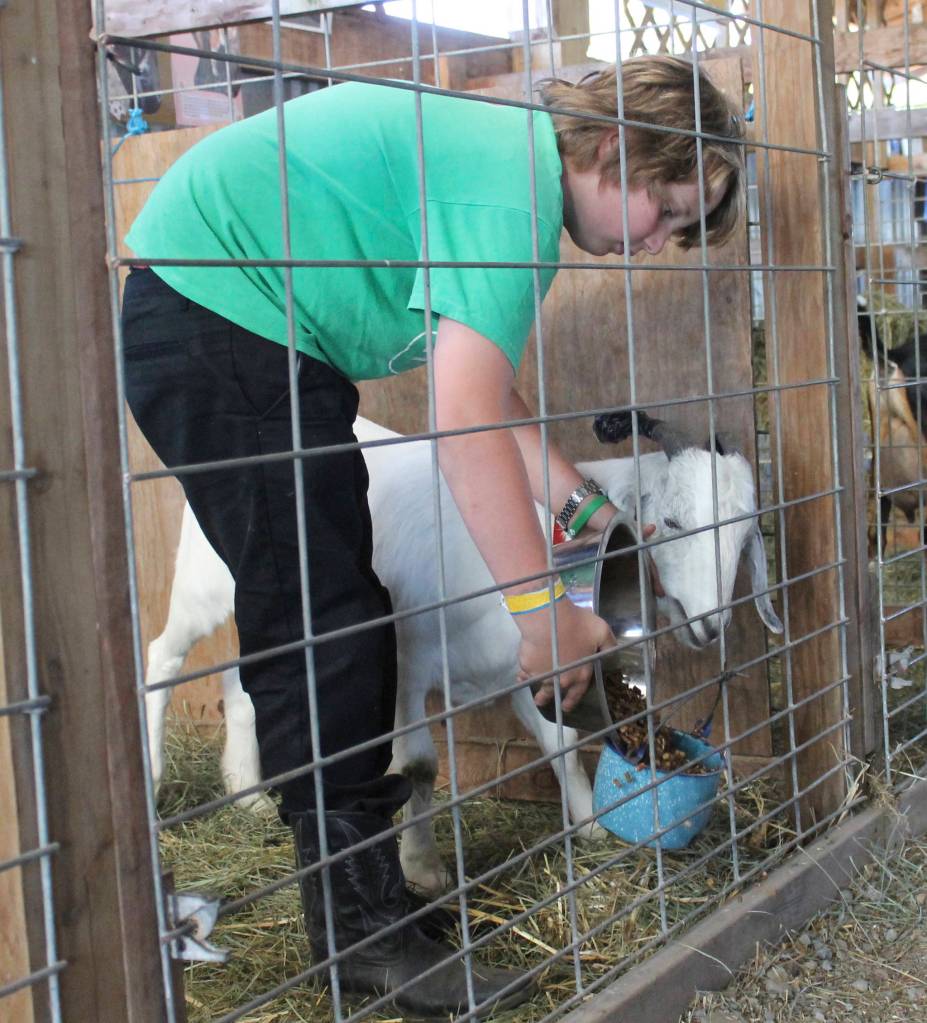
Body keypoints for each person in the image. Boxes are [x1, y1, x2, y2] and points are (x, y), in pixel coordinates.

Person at [122, 54, 744, 1019]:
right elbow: (460, 423)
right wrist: (542, 613)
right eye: (666, 209)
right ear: (615, 148)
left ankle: (364, 903)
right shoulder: (512, 204)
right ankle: (360, 934)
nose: (662, 242)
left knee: (338, 604)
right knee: (323, 613)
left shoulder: (510, 169)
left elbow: (483, 385)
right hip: (217, 315)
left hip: (250, 323)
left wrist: (576, 501)